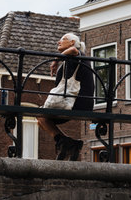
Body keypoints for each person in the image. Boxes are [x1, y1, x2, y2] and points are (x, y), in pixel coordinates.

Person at [37, 33, 94, 161]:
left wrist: (56, 60)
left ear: (72, 42)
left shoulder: (78, 56)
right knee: (41, 118)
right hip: (75, 103)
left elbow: (74, 51)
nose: (58, 42)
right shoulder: (67, 63)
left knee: (40, 115)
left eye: (62, 39)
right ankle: (66, 142)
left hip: (79, 103)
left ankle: (65, 142)